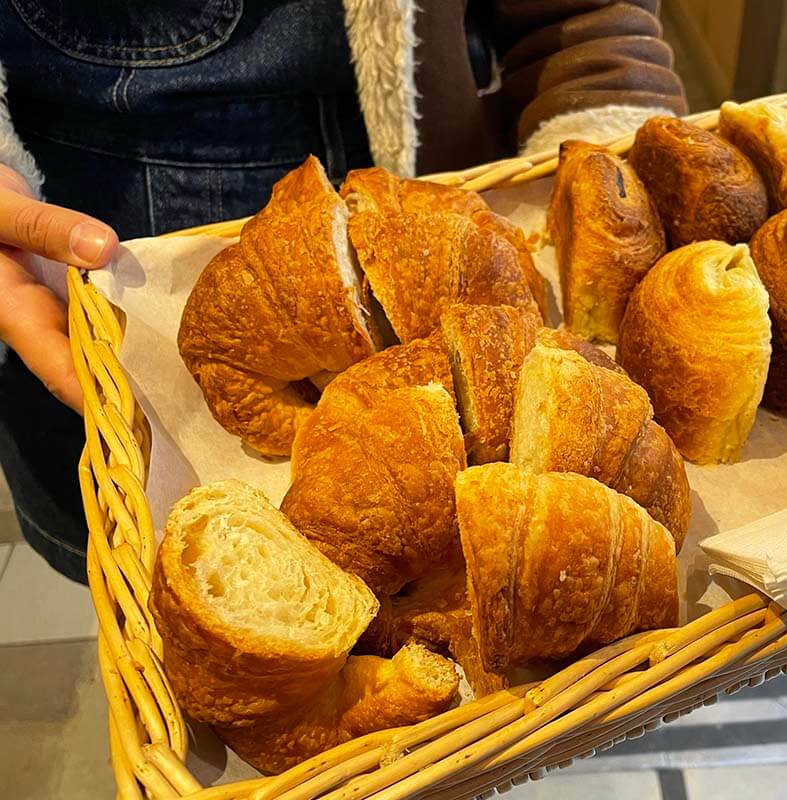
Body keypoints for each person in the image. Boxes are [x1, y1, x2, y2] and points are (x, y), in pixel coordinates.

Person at [0, 0, 687, 583]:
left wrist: (601, 112)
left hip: (460, 181)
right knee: (171, 591)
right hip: (102, 263)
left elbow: (586, 12)